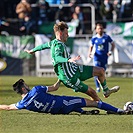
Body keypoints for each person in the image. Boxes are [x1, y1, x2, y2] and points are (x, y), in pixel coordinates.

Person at [25, 21, 119, 101]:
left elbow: (42, 46)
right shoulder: (58, 45)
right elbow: (57, 58)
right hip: (70, 78)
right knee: (93, 93)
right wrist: (68, 59)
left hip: (75, 69)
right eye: (66, 33)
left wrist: (32, 50)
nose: (68, 35)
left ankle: (106, 91)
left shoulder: (53, 42)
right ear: (61, 34)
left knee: (101, 71)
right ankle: (105, 108)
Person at [0, 79, 124, 115]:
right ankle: (119, 111)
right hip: (63, 103)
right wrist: (61, 78)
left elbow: (8, 107)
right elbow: (55, 87)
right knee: (95, 102)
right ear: (23, 88)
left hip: (58, 111)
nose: (27, 85)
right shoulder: (36, 90)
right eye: (25, 84)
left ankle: (84, 112)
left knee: (73, 106)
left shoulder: (23, 104)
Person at [88, 22, 115, 92]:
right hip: (97, 57)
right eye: (98, 28)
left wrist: (110, 51)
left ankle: (103, 86)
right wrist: (90, 53)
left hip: (104, 58)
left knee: (102, 73)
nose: (100, 30)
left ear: (103, 29)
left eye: (101, 28)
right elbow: (91, 46)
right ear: (96, 30)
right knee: (96, 72)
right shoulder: (94, 38)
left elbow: (113, 44)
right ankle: (97, 87)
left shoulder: (106, 37)